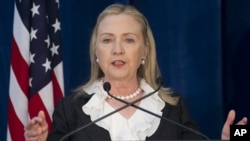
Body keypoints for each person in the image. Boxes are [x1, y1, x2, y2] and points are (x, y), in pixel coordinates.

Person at [24, 3, 248, 141]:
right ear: (96, 51)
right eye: (107, 40)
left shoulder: (173, 108)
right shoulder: (71, 110)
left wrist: (235, 138)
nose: (117, 49)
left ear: (145, 51)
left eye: (129, 40)